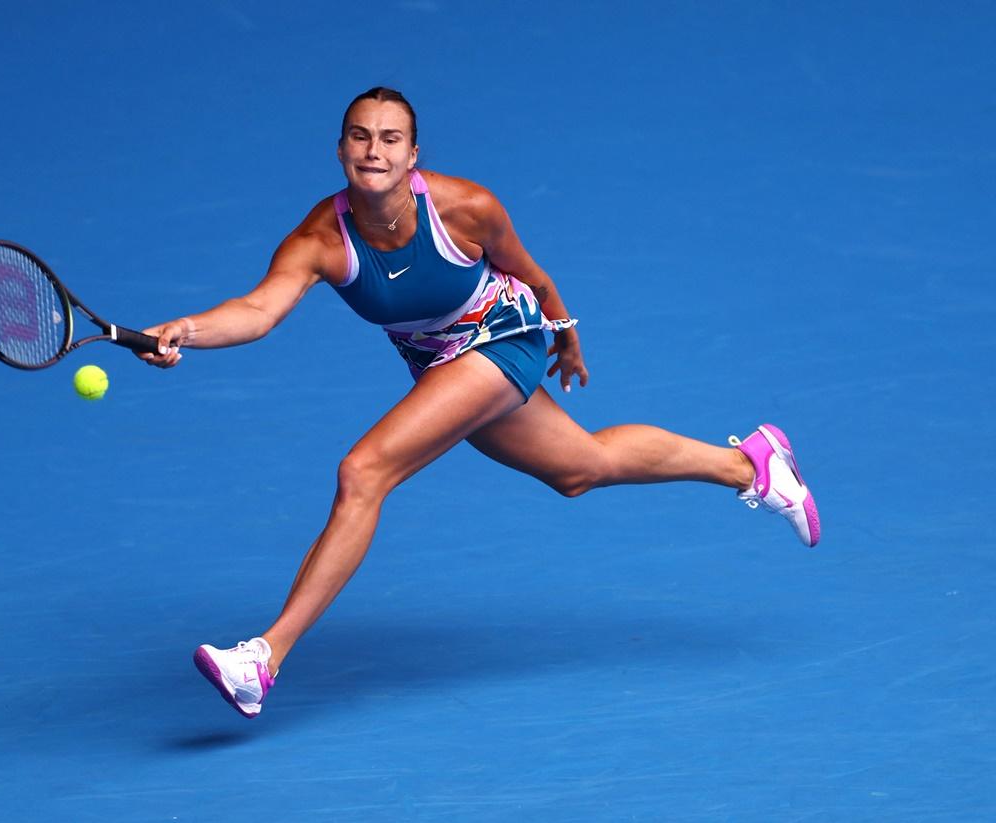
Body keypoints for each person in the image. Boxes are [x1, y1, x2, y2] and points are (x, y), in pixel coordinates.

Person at [140, 87, 820, 719]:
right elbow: (259, 310)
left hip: (503, 336)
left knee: (364, 471)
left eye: (389, 138)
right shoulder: (320, 239)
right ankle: (751, 464)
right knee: (579, 469)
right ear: (340, 149)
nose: (373, 151)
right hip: (441, 363)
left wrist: (566, 333)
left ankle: (264, 657)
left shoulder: (466, 207)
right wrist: (187, 330)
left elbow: (532, 273)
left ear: (413, 155)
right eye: (359, 137)